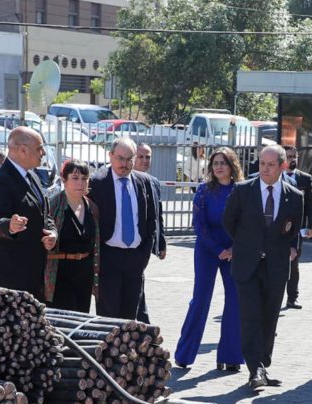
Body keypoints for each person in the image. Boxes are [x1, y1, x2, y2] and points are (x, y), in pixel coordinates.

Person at [223, 145, 304, 390]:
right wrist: (247, 243)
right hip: (247, 264)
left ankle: (262, 365)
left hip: (276, 266)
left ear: (283, 166)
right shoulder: (243, 190)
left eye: (270, 165)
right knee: (250, 316)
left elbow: (294, 229)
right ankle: (254, 369)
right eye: (261, 164)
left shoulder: (294, 196)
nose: (265, 169)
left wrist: (290, 249)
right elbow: (229, 221)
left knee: (269, 317)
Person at [175, 148, 245, 372]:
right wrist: (218, 250)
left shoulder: (241, 191)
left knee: (235, 301)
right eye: (215, 163)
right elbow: (199, 225)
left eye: (223, 162)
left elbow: (247, 224)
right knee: (201, 299)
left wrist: (233, 248)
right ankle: (184, 354)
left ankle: (231, 356)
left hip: (234, 250)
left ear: (232, 165)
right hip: (208, 250)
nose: (218, 167)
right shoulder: (204, 191)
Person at [0, 127, 58, 299]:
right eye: (39, 148)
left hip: (33, 273)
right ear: (23, 150)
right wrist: (9, 225)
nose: (43, 152)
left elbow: (44, 214)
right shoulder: (0, 181)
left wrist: (52, 232)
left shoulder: (33, 177)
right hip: (8, 278)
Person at [91, 137, 160, 318]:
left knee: (131, 316)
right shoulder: (97, 183)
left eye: (129, 159)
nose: (125, 164)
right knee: (108, 315)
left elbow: (151, 220)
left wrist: (143, 255)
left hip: (135, 259)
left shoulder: (144, 182)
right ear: (110, 156)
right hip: (108, 258)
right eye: (120, 158)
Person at [46, 158, 99, 312]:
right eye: (75, 178)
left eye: (84, 179)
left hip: (84, 273)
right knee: (64, 318)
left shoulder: (92, 207)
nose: (80, 183)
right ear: (64, 180)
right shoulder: (53, 206)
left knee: (81, 316)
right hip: (60, 274)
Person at [132, 143, 167, 323]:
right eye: (141, 157)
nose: (145, 161)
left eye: (148, 157)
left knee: (139, 282)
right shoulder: (127, 181)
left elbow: (157, 214)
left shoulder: (153, 182)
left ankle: (142, 321)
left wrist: (161, 242)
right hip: (129, 244)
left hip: (146, 242)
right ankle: (143, 321)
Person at [282, 144, 312, 309]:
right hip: (278, 228)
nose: (292, 159)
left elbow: (311, 203)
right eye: (288, 157)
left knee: (294, 262)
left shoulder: (305, 178)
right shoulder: (276, 177)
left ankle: (292, 297)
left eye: (294, 156)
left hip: (297, 228)